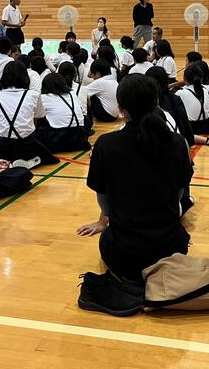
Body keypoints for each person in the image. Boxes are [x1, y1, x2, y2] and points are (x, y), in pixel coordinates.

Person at [81, 74, 191, 283]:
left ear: (121, 108)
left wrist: (105, 220)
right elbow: (179, 191)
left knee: (109, 241)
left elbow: (103, 196)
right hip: (171, 248)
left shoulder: (105, 144)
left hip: (125, 254)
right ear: (156, 102)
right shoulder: (177, 142)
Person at [0, 61, 57, 165]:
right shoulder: (33, 94)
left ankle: (12, 163)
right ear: (25, 77)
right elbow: (40, 115)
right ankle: (29, 160)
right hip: (28, 143)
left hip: (4, 145)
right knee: (50, 159)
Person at [37, 73, 91, 153]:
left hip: (58, 139)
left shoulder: (44, 98)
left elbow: (37, 116)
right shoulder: (72, 94)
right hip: (79, 137)